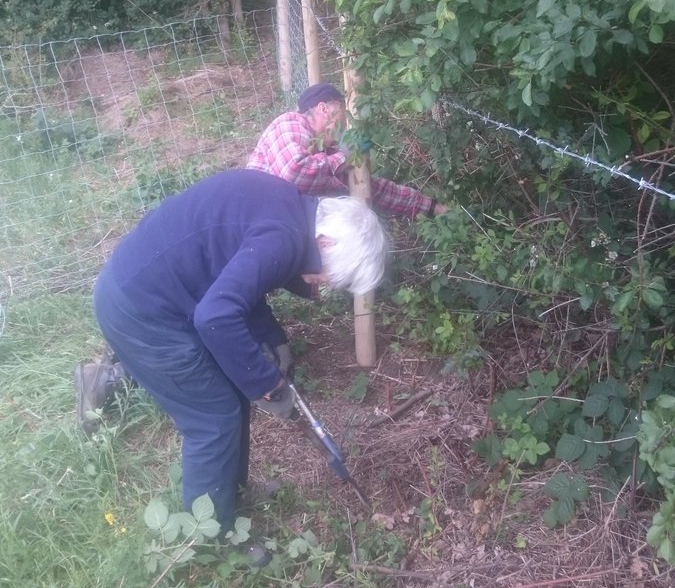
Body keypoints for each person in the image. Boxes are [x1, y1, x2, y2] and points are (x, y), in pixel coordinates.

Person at [75, 169, 388, 538]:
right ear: (327, 243)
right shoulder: (283, 238)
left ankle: (229, 495)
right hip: (141, 310)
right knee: (213, 417)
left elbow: (236, 272)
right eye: (334, 277)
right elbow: (216, 316)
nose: (327, 286)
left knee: (229, 399)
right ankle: (212, 535)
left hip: (151, 288)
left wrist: (272, 339)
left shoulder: (287, 209)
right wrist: (266, 384)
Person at [247, 83, 448, 220]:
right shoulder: (290, 122)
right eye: (342, 118)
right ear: (324, 110)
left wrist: (433, 208)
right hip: (249, 215)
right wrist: (348, 156)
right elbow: (295, 172)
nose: (343, 128)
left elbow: (375, 189)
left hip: (273, 223)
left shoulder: (324, 152)